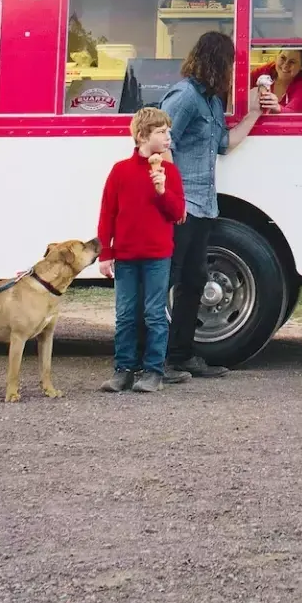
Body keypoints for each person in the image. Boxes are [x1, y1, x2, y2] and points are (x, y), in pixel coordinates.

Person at [158, 31, 269, 379]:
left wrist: (253, 114)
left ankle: (181, 356)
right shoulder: (185, 96)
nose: (233, 71)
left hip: (204, 206)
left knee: (192, 282)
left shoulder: (213, 102)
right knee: (166, 281)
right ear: (217, 62)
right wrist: (173, 199)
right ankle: (152, 362)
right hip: (184, 206)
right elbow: (163, 142)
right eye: (230, 63)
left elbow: (224, 143)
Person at [94, 107, 186, 393]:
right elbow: (108, 212)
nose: (168, 137)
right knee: (125, 313)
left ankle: (154, 371)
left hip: (158, 254)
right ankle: (123, 370)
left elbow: (178, 212)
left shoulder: (169, 172)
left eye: (168, 132)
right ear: (142, 136)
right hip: (125, 255)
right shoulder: (120, 171)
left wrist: (162, 191)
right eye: (161, 132)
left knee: (155, 313)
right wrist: (106, 252)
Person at [249, 48, 302, 115]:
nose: (285, 65)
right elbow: (241, 85)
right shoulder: (268, 69)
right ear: (277, 56)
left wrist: (278, 107)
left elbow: (293, 115)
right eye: (283, 58)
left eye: (292, 62)